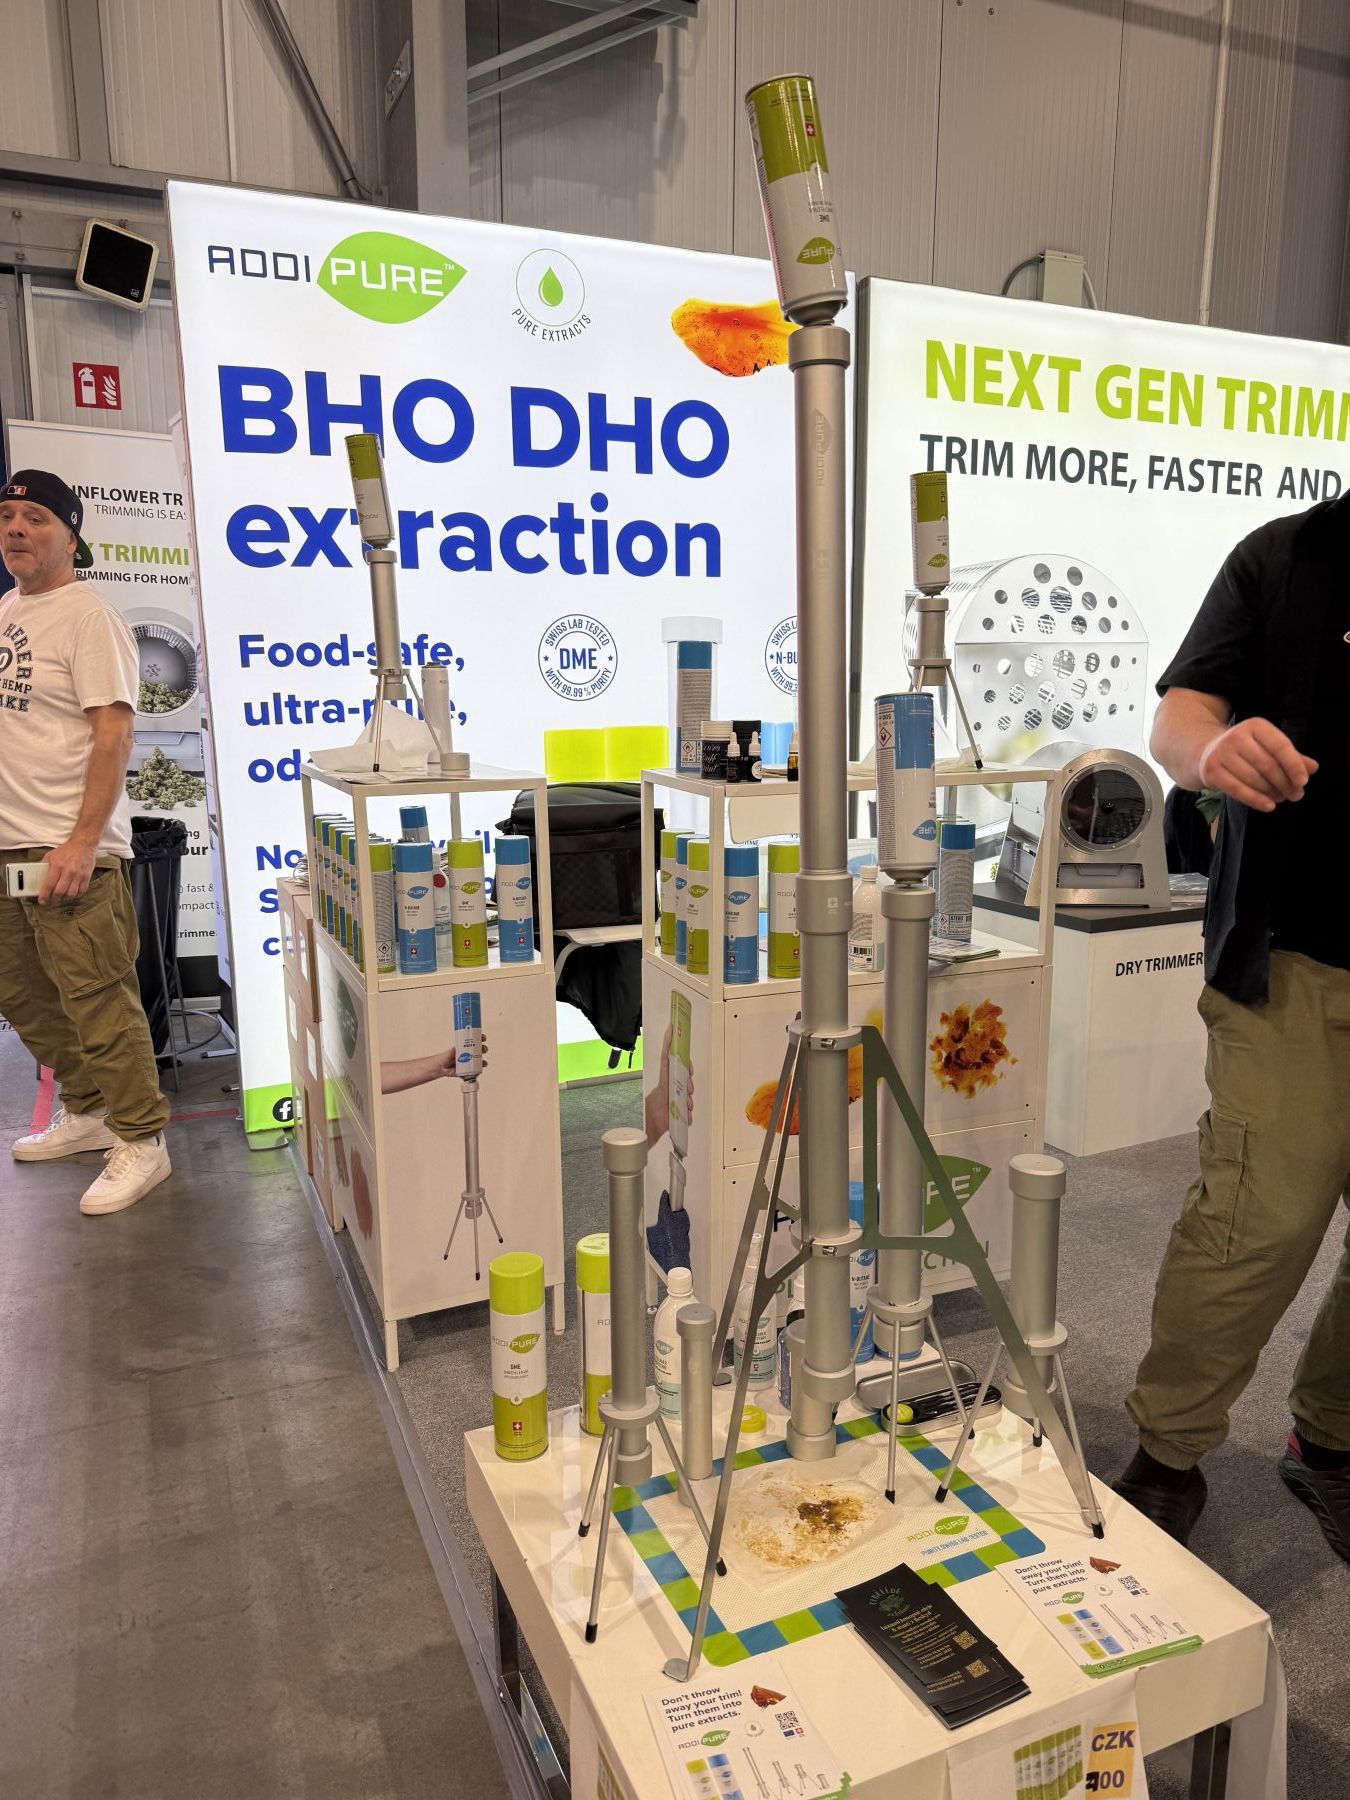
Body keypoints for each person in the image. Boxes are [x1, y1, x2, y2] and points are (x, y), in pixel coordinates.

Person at [1114, 497, 1349, 1564]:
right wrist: (1212, 753)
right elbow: (1179, 715)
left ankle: (1331, 1438)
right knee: (1260, 1216)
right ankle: (1167, 1453)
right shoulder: (1287, 557)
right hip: (1296, 958)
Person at [0, 470, 172, 1214]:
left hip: (68, 850)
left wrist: (82, 841)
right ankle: (90, 1110)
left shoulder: (89, 616)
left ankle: (142, 1138)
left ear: (70, 536)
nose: (16, 528)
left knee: (99, 1000)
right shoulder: (8, 610)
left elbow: (114, 733)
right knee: (25, 996)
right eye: (8, 515)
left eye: (36, 517)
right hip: (10, 849)